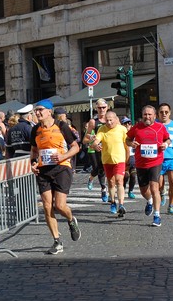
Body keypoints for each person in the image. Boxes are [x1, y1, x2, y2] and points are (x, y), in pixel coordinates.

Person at [29, 99, 81, 254]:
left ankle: (71, 220)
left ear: (49, 111)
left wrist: (63, 156)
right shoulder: (35, 130)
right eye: (36, 110)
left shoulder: (61, 126)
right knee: (46, 206)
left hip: (62, 168)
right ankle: (57, 241)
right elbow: (33, 151)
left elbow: (76, 147)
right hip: (43, 170)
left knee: (59, 205)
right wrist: (32, 163)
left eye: (40, 110)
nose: (37, 113)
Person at [126, 105, 171, 227]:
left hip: (156, 161)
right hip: (141, 163)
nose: (147, 116)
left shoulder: (160, 127)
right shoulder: (136, 127)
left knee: (154, 188)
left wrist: (165, 145)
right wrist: (132, 143)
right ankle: (149, 201)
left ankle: (157, 216)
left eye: (150, 114)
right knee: (143, 190)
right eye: (145, 114)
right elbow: (127, 139)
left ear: (155, 116)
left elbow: (168, 139)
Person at [90, 111, 129, 217]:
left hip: (119, 159)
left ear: (116, 119)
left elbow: (127, 145)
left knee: (119, 180)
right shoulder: (102, 129)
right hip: (107, 160)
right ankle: (112, 202)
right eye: (107, 120)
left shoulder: (122, 129)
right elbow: (95, 141)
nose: (109, 122)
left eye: (111, 120)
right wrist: (95, 145)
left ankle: (121, 205)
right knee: (111, 183)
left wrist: (128, 159)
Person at [83, 98, 109, 202]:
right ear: (96, 108)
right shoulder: (93, 121)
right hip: (97, 149)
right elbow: (85, 137)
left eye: (103, 107)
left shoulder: (112, 119)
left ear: (107, 107)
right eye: (99, 108)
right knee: (100, 169)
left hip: (110, 148)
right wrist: (92, 139)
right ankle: (103, 188)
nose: (102, 109)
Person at [121, 117, 137, 199]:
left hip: (132, 157)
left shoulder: (134, 133)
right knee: (126, 176)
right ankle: (122, 190)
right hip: (123, 157)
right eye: (125, 123)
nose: (127, 125)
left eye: (129, 123)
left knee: (133, 175)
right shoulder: (120, 134)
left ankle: (130, 191)